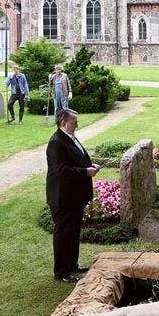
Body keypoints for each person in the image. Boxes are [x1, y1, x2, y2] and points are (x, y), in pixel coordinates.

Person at [46, 108, 100, 283]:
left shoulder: (70, 137)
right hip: (63, 197)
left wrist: (89, 165)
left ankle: (72, 264)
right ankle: (61, 271)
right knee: (63, 234)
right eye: (74, 121)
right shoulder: (56, 142)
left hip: (75, 196)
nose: (77, 124)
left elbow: (75, 159)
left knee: (74, 231)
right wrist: (85, 172)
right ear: (63, 123)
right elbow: (60, 170)